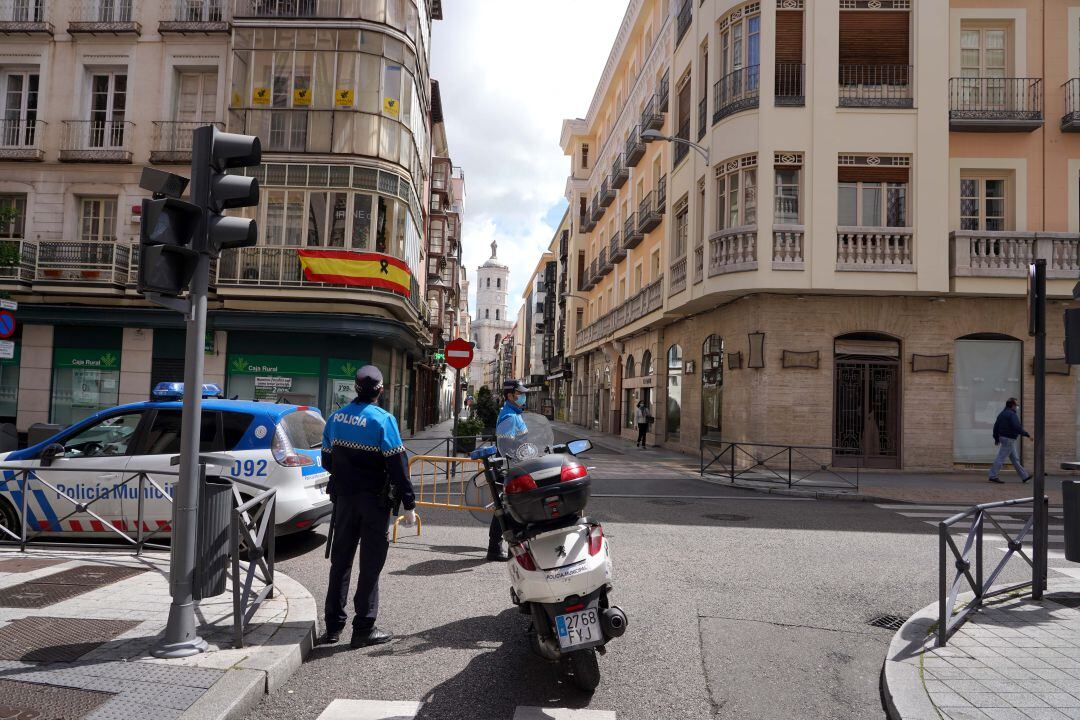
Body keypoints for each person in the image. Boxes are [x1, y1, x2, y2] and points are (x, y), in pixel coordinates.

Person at [321, 365, 416, 648]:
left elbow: (327, 461)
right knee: (370, 565)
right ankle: (363, 628)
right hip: (375, 503)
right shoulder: (383, 421)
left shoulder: (336, 418)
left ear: (356, 388)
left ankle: (333, 626)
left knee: (340, 563)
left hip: (345, 500)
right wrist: (409, 504)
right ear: (381, 390)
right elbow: (398, 466)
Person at [486, 379, 529, 562]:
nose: (522, 396)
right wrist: (519, 458)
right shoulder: (509, 416)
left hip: (514, 465)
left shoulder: (514, 412)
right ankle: (497, 548)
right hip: (509, 467)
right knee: (507, 508)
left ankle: (501, 547)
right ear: (510, 395)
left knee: (506, 508)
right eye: (519, 394)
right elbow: (506, 446)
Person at [989, 397, 1031, 484]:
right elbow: (1016, 427)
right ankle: (992, 476)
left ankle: (1025, 476)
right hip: (1009, 439)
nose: (1017, 406)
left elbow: (995, 427)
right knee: (1001, 458)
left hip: (1005, 438)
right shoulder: (1012, 414)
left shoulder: (1002, 414)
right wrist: (1026, 434)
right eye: (1016, 405)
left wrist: (996, 438)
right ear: (1012, 405)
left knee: (1015, 459)